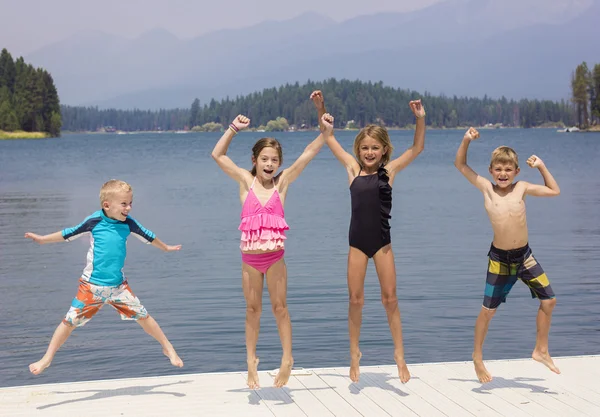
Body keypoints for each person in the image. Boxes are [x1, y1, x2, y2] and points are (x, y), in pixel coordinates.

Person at [211, 113, 334, 389]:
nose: (269, 164)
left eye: (274, 160)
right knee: (252, 310)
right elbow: (218, 155)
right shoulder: (246, 181)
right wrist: (233, 129)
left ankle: (287, 358)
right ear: (254, 161)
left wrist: (324, 131)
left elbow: (308, 153)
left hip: (275, 259)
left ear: (279, 163)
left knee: (280, 308)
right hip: (250, 262)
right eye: (264, 159)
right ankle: (251, 362)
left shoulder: (283, 183)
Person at [311, 90, 426, 384]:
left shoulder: (390, 171)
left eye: (375, 148)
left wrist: (420, 119)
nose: (369, 152)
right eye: (364, 148)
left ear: (384, 150)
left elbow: (416, 149)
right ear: (358, 150)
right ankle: (354, 354)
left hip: (383, 245)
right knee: (355, 300)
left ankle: (399, 355)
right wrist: (321, 107)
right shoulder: (352, 169)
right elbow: (328, 135)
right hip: (357, 245)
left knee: (390, 300)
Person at [25, 179, 183, 375]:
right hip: (91, 287)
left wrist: (166, 247)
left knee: (144, 316)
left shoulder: (129, 223)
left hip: (118, 287)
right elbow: (69, 233)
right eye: (124, 204)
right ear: (107, 205)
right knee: (68, 322)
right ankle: (47, 358)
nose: (129, 208)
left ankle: (167, 347)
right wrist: (43, 239)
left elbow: (148, 236)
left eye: (131, 203)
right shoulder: (95, 221)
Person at [454, 127, 561, 383]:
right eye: (498, 169)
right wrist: (466, 140)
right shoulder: (486, 188)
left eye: (508, 169)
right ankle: (477, 357)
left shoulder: (522, 187)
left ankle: (541, 349)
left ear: (516, 172)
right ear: (491, 171)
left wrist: (542, 166)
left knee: (549, 300)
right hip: (500, 260)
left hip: (525, 257)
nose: (503, 174)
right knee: (487, 312)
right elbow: (460, 164)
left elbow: (554, 190)